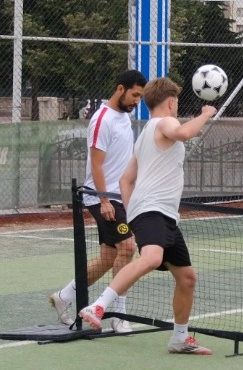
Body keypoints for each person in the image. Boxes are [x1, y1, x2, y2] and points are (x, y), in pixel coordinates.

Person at [79, 77, 217, 355]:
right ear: (170, 102)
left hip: (163, 215)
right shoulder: (165, 123)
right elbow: (185, 134)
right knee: (151, 258)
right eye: (176, 102)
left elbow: (126, 179)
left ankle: (179, 338)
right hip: (153, 210)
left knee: (187, 277)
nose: (177, 107)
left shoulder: (144, 137)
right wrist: (205, 115)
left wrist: (131, 216)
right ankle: (98, 306)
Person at [50, 70, 147, 335]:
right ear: (120, 89)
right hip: (102, 197)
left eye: (141, 96)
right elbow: (96, 163)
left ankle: (64, 296)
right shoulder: (102, 119)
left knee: (108, 258)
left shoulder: (124, 117)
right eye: (135, 95)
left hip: (121, 197)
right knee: (127, 247)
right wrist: (104, 200)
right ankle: (118, 315)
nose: (137, 100)